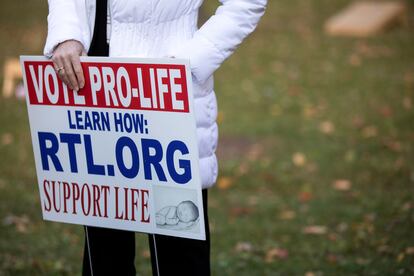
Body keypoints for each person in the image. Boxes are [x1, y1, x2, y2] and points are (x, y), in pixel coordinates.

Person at [44, 0, 267, 275]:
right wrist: (66, 33)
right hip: (92, 85)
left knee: (178, 249)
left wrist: (190, 61)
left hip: (167, 86)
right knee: (104, 254)